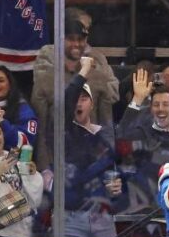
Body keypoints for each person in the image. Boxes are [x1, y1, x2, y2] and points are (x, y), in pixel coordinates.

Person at [31, 14, 118, 171]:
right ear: (60, 41)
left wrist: (109, 167)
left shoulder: (98, 77)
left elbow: (107, 127)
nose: (77, 44)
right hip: (58, 164)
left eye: (81, 39)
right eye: (71, 39)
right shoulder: (45, 79)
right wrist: (45, 170)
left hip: (92, 163)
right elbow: (41, 133)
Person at [61, 70, 119, 237]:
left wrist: (116, 186)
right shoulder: (63, 132)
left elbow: (114, 172)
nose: (79, 103)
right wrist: (84, 71)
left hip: (102, 217)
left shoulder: (104, 136)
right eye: (76, 99)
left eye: (84, 99)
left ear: (92, 104)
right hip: (71, 216)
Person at [0, 66, 37, 150]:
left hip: (14, 160)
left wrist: (3, 123)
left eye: (1, 81)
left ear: (10, 85)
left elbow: (26, 143)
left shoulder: (24, 110)